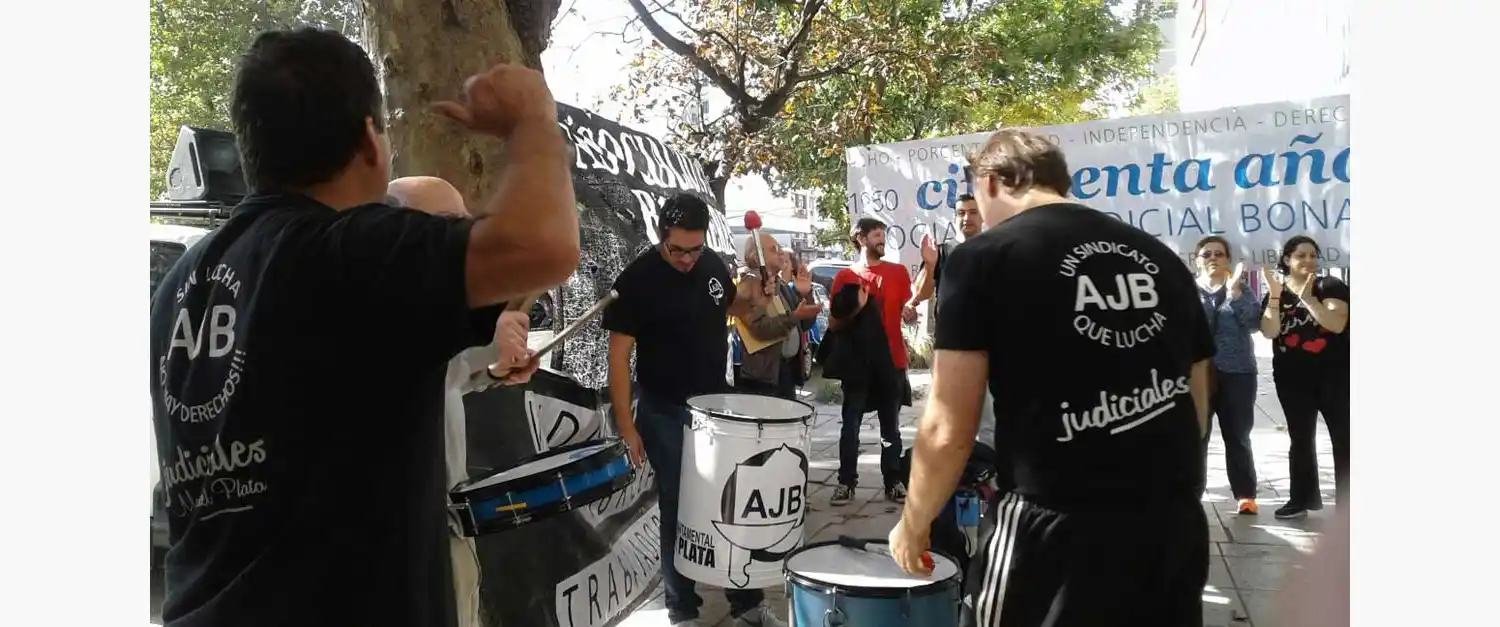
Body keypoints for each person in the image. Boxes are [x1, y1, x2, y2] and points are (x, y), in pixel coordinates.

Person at [148, 27, 579, 627]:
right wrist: (532, 118)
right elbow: (544, 245)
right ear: (371, 141)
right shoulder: (343, 253)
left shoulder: (183, 283)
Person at [889, 128, 1215, 627]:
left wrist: (914, 524)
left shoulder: (984, 259)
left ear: (994, 181)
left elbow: (948, 426)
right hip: (1173, 523)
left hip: (1055, 526)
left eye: (977, 196)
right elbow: (1196, 399)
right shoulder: (1161, 258)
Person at [602, 194, 783, 627]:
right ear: (661, 237)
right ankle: (682, 610)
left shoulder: (713, 265)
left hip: (717, 411)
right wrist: (627, 427)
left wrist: (758, 294)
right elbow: (617, 359)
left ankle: (748, 604)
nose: (686, 258)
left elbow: (733, 306)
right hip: (664, 410)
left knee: (733, 502)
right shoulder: (637, 281)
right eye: (676, 249)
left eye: (694, 248)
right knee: (680, 508)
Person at [386, 175, 537, 627]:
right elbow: (409, 373)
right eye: (450, 226)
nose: (463, 242)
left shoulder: (429, 306)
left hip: (447, 520)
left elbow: (443, 382)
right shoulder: (383, 309)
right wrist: (490, 341)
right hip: (407, 538)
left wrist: (490, 371)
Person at [827, 217, 916, 506]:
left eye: (883, 234)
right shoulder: (845, 277)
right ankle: (846, 481)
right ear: (861, 239)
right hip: (856, 366)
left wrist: (910, 314)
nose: (882, 240)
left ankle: (894, 480)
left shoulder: (898, 273)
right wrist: (857, 308)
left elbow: (907, 310)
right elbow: (834, 324)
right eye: (877, 235)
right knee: (849, 425)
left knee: (890, 428)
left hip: (890, 361)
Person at [1260, 235, 1350, 519]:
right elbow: (1270, 332)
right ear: (1287, 260)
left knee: (1345, 437)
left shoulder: (1330, 286)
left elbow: (1336, 323)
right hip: (1291, 378)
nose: (1309, 260)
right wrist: (1274, 297)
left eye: (1313, 255)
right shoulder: (1276, 292)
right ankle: (1300, 499)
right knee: (1300, 439)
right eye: (1301, 255)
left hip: (1335, 376)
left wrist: (1309, 299)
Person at [1193, 235, 1263, 515]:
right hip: (1198, 375)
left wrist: (1234, 296)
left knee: (1238, 436)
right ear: (1197, 260)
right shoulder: (1187, 290)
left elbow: (1255, 324)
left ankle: (1245, 494)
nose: (1213, 258)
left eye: (1219, 254)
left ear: (1227, 260)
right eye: (1207, 254)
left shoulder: (1241, 289)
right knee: (1197, 436)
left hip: (1238, 374)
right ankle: (1193, 491)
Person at [732, 234, 821, 399]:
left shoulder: (781, 285)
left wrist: (805, 294)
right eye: (774, 250)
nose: (781, 254)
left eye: (780, 249)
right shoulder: (747, 286)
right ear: (756, 258)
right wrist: (794, 316)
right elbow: (760, 329)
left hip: (786, 373)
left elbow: (805, 324)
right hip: (763, 378)